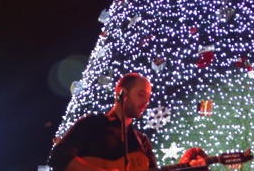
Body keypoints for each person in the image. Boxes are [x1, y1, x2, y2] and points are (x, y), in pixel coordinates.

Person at [49, 73, 204, 171]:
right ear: (121, 93)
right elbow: (59, 157)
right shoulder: (92, 123)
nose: (146, 102)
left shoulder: (142, 142)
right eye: (141, 95)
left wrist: (188, 168)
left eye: (148, 98)